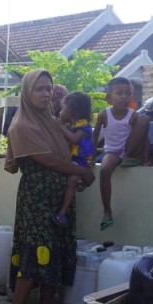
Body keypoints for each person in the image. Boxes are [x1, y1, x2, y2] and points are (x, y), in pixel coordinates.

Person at [6, 69, 94, 304]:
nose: (45, 94)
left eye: (48, 88)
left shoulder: (51, 121)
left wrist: (79, 173)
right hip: (37, 196)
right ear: (27, 92)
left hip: (59, 194)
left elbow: (68, 153)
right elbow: (47, 160)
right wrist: (81, 171)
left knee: (56, 247)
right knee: (36, 247)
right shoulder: (23, 124)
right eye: (39, 89)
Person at [93, 77, 150, 230]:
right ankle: (107, 211)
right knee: (104, 170)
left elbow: (144, 137)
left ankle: (131, 158)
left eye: (127, 93)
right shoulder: (103, 115)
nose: (124, 97)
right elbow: (95, 135)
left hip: (129, 151)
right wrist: (91, 157)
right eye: (119, 93)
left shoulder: (134, 116)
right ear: (109, 97)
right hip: (113, 151)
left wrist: (146, 159)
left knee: (144, 119)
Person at [54, 91, 96, 227]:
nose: (60, 112)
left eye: (63, 108)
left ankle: (62, 212)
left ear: (75, 112)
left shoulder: (84, 126)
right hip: (74, 160)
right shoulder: (71, 127)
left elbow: (73, 140)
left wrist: (60, 127)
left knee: (72, 180)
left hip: (81, 161)